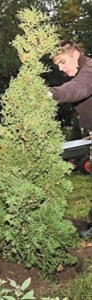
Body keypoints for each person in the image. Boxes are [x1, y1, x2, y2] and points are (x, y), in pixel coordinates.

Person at [48, 40, 92, 238]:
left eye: (63, 62)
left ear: (75, 54)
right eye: (57, 65)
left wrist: (51, 93)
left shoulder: (90, 69)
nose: (61, 68)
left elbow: (79, 88)